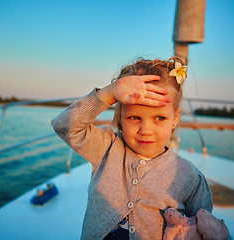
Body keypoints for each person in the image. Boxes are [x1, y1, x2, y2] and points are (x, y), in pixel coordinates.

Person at [53, 57, 213, 240]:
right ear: (120, 117)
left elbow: (203, 227)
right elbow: (64, 126)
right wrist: (109, 93)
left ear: (175, 118)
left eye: (159, 118)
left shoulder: (190, 177)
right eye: (135, 117)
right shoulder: (106, 147)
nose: (146, 130)